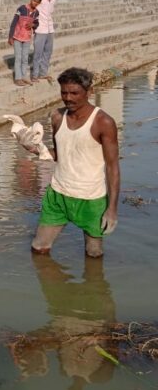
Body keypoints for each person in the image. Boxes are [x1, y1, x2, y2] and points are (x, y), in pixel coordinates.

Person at [27, 68, 119, 258]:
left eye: (74, 93)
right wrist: (36, 149)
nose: (68, 98)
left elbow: (112, 167)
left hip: (91, 198)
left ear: (89, 92)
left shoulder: (103, 122)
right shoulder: (57, 117)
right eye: (64, 92)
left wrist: (111, 209)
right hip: (58, 194)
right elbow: (59, 154)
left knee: (94, 254)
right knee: (39, 249)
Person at [8, 0, 41, 86]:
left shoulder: (36, 13)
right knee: (18, 58)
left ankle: (24, 77)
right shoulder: (21, 8)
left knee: (25, 58)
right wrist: (10, 36)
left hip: (27, 38)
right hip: (17, 37)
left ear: (39, 3)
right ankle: (18, 78)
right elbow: (14, 22)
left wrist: (33, 25)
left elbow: (37, 24)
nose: (35, 3)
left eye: (37, 2)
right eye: (34, 0)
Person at [33, 0, 58, 82]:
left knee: (48, 52)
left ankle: (43, 73)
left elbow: (50, 12)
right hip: (40, 29)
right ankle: (34, 75)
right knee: (38, 53)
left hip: (50, 29)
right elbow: (33, 7)